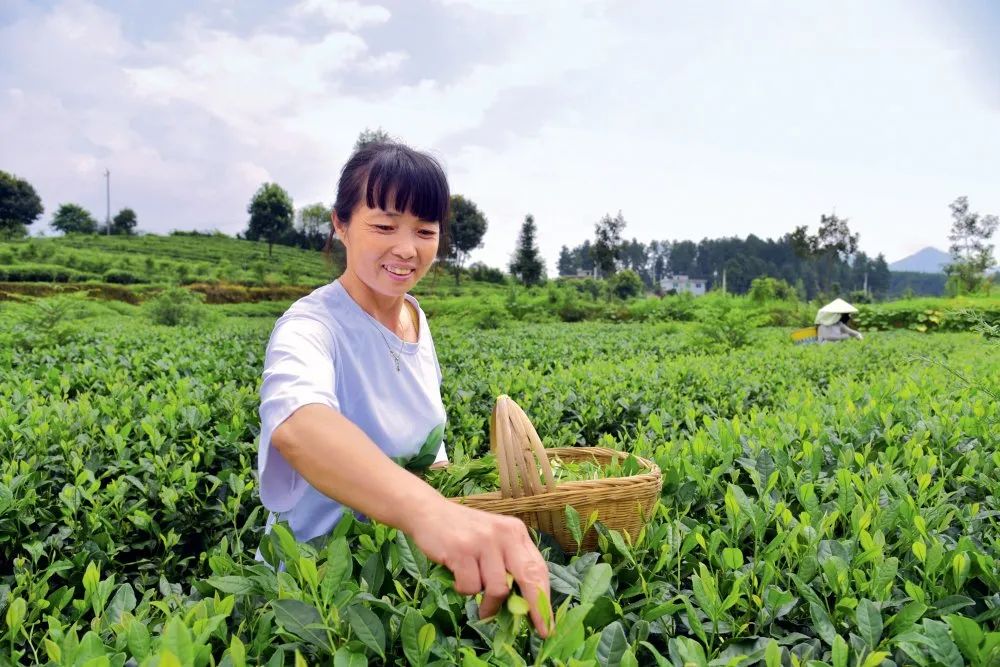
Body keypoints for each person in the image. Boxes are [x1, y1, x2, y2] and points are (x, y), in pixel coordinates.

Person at [256, 141, 553, 637]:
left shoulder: (415, 318)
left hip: (395, 579)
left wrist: (468, 507)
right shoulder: (309, 327)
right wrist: (431, 514)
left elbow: (427, 453)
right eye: (384, 226)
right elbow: (299, 425)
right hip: (313, 596)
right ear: (340, 224)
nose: (407, 249)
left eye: (425, 231)